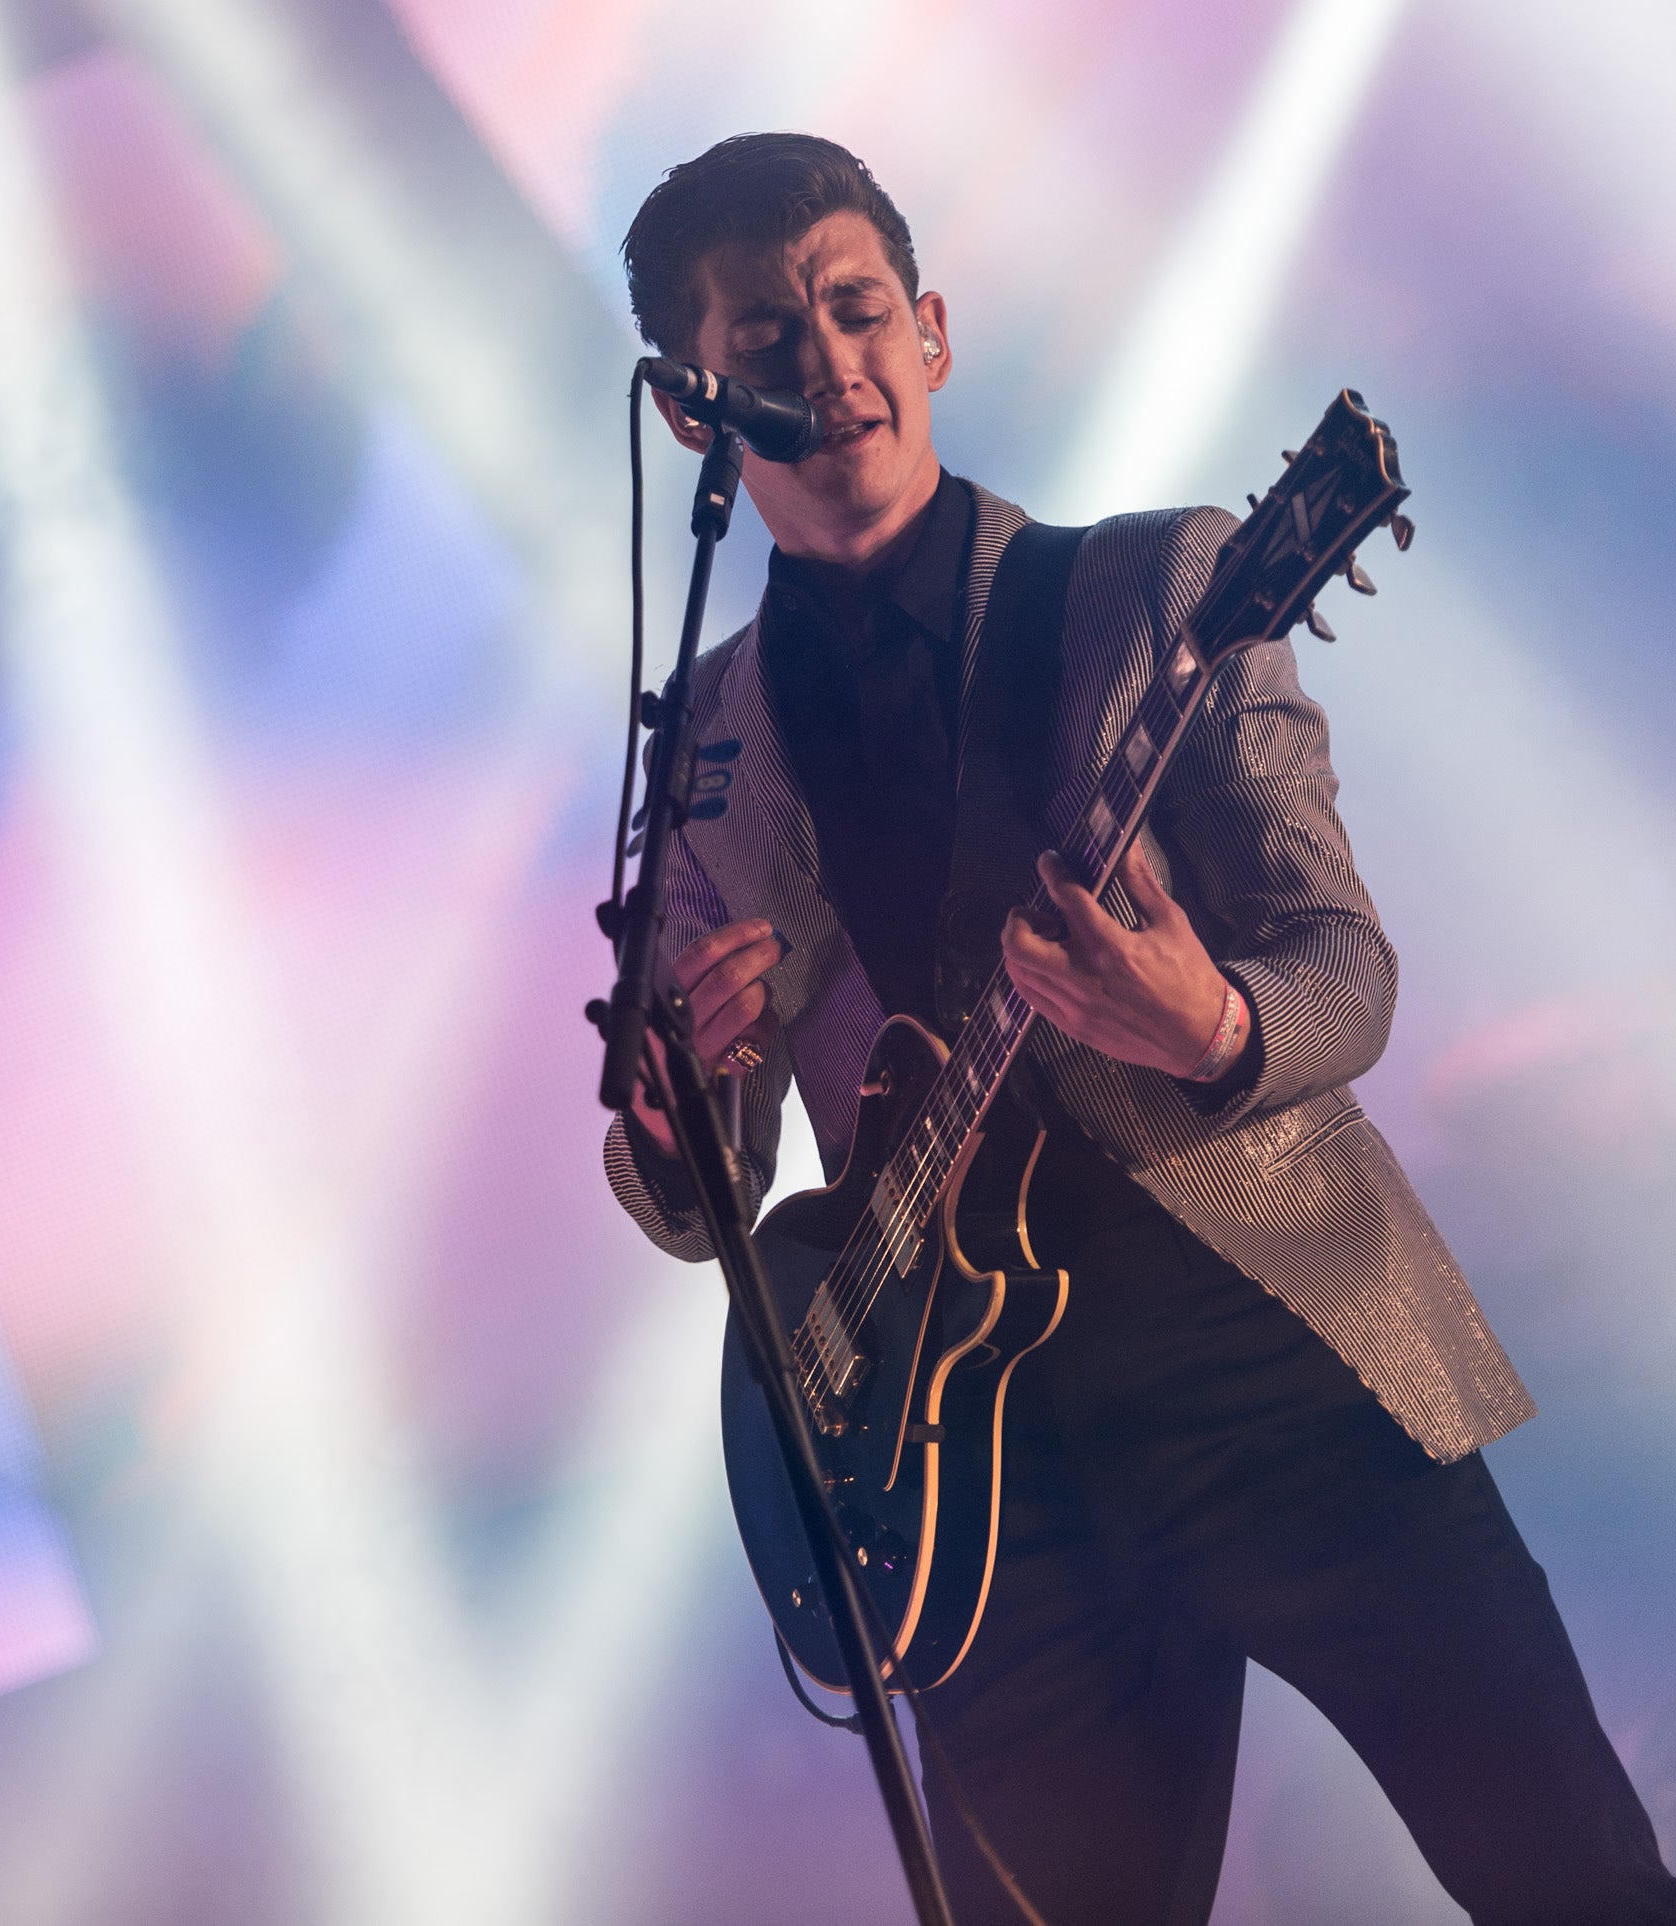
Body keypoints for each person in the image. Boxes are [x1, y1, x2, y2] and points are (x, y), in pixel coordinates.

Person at [602, 132, 1676, 1923]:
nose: (831, 361)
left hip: (1282, 1372)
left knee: (1579, 1883)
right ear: (696, 414)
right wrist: (671, 1125)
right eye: (768, 344)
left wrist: (1212, 1021)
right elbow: (697, 1194)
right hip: (979, 1490)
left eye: (856, 308)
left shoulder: (1163, 590)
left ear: (932, 331)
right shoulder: (701, 741)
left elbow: (1348, 964)